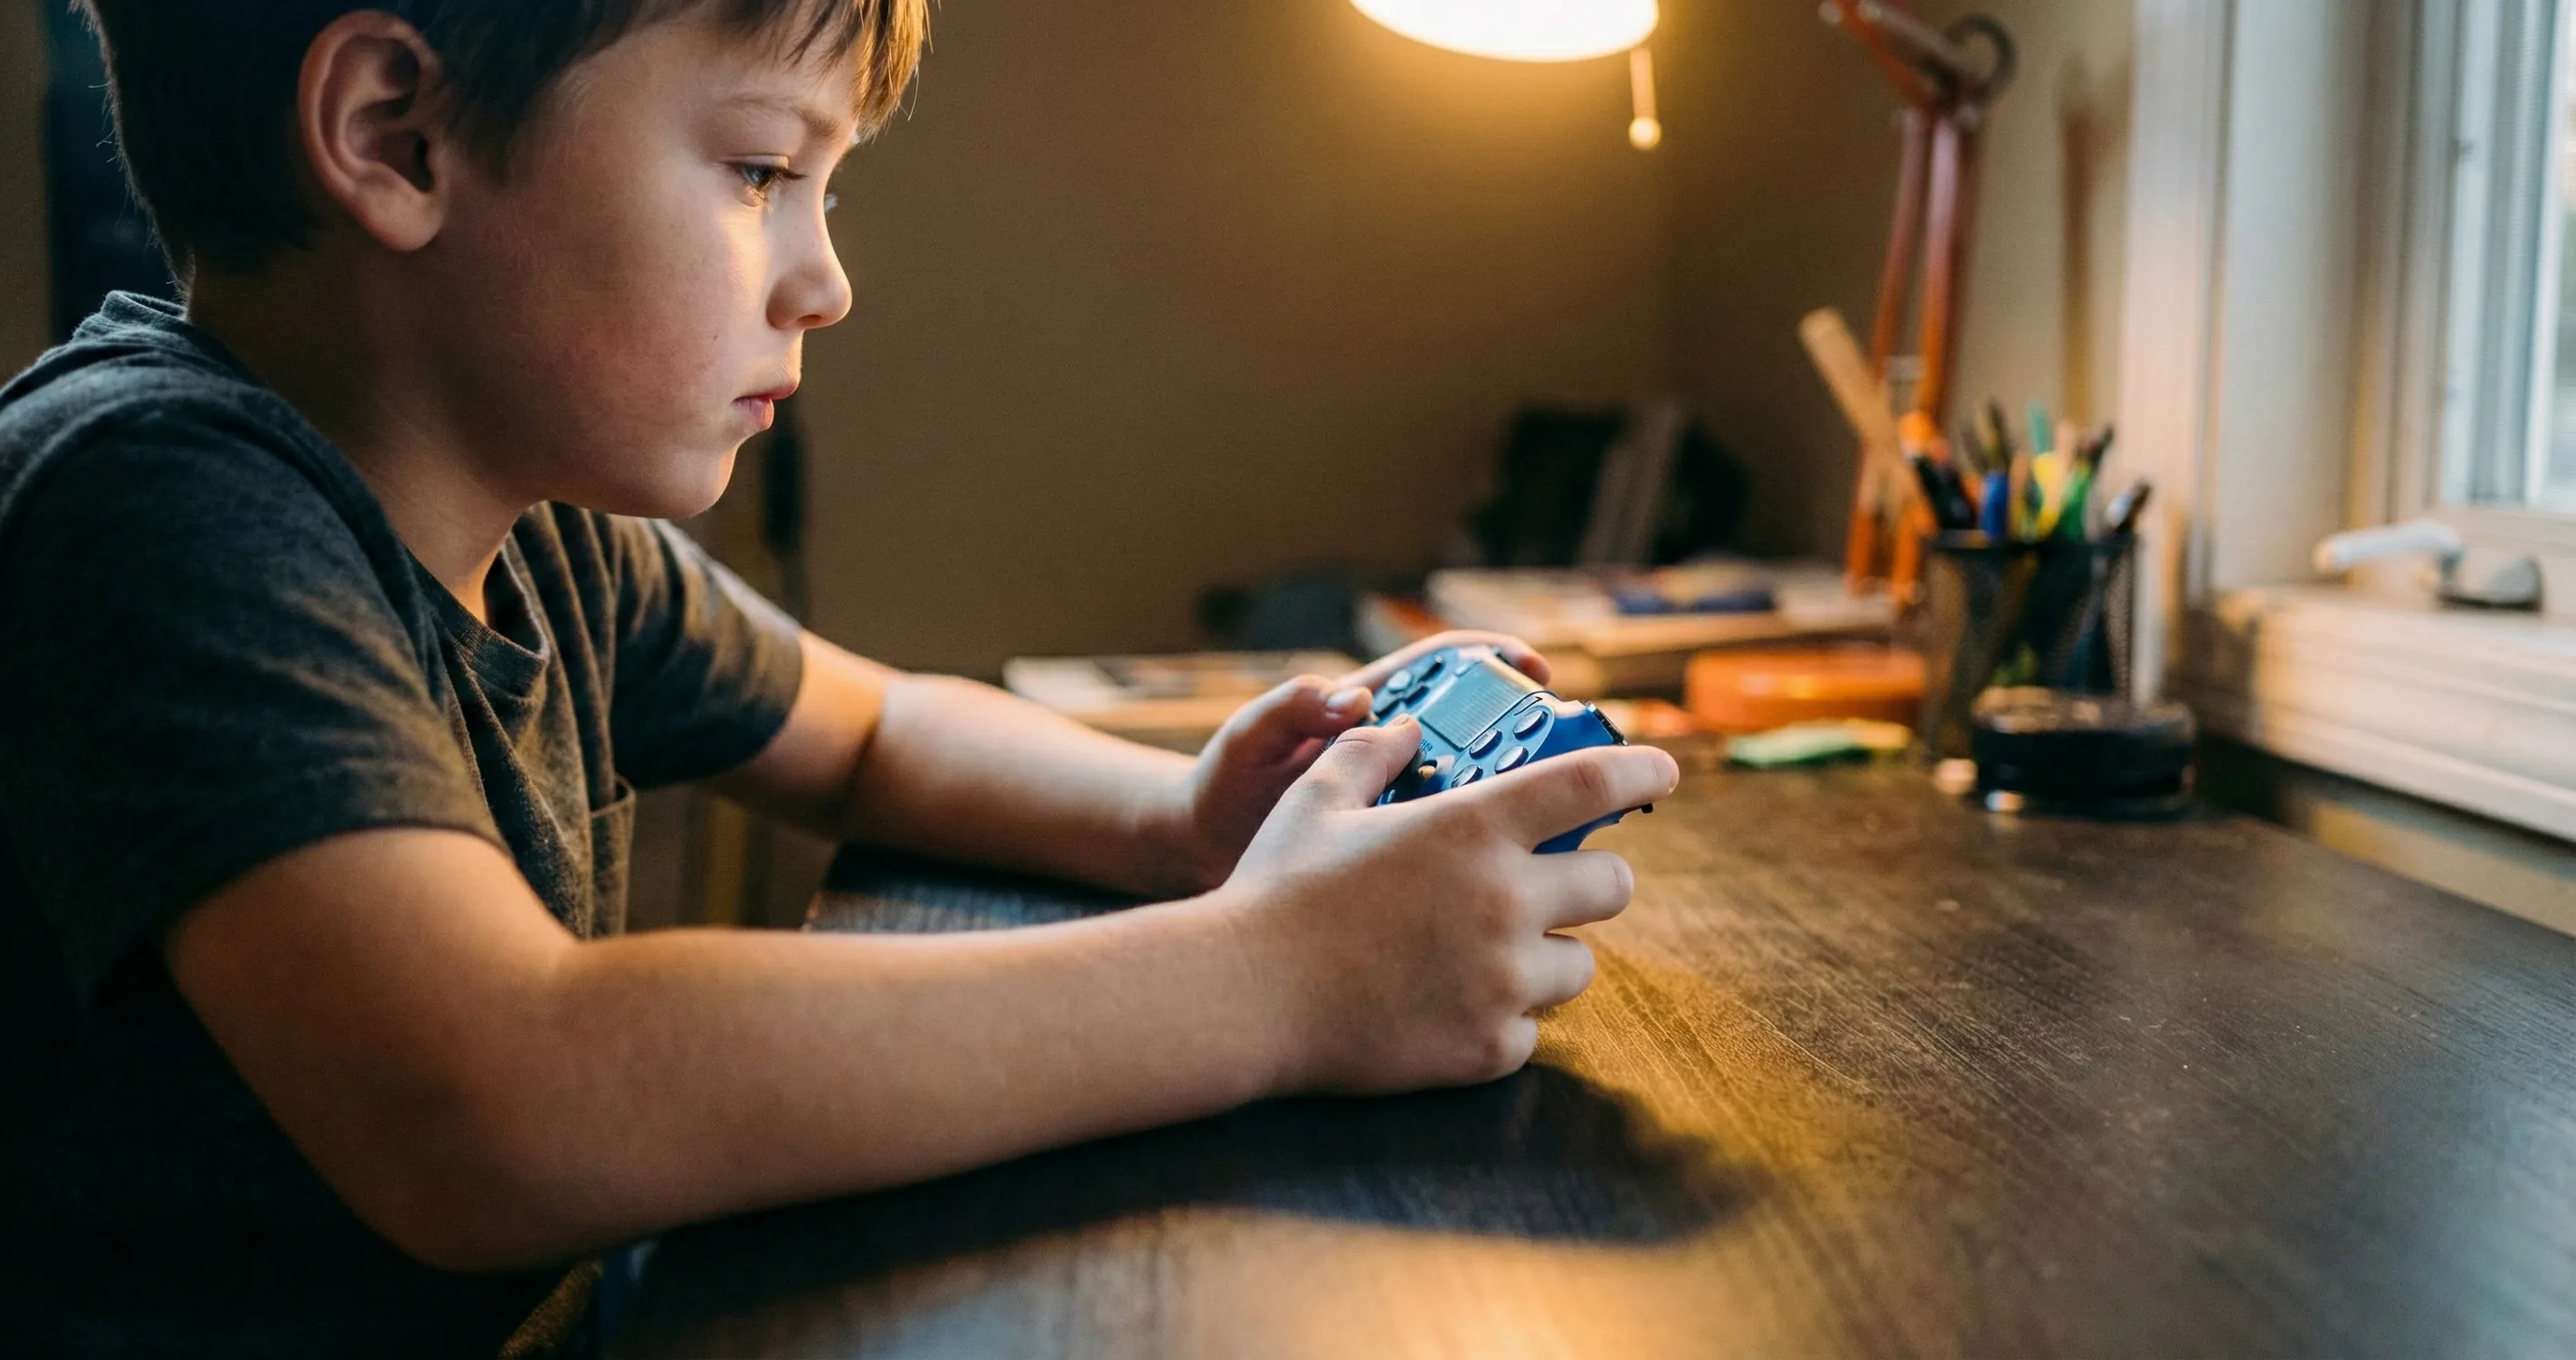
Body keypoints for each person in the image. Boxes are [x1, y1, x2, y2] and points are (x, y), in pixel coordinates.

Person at [0, 1, 1680, 1352]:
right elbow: (498, 1101)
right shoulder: (147, 507)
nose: (826, 280)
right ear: (395, 135)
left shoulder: (531, 520)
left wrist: (1184, 820)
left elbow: (870, 730)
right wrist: (1275, 979)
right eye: (758, 171)